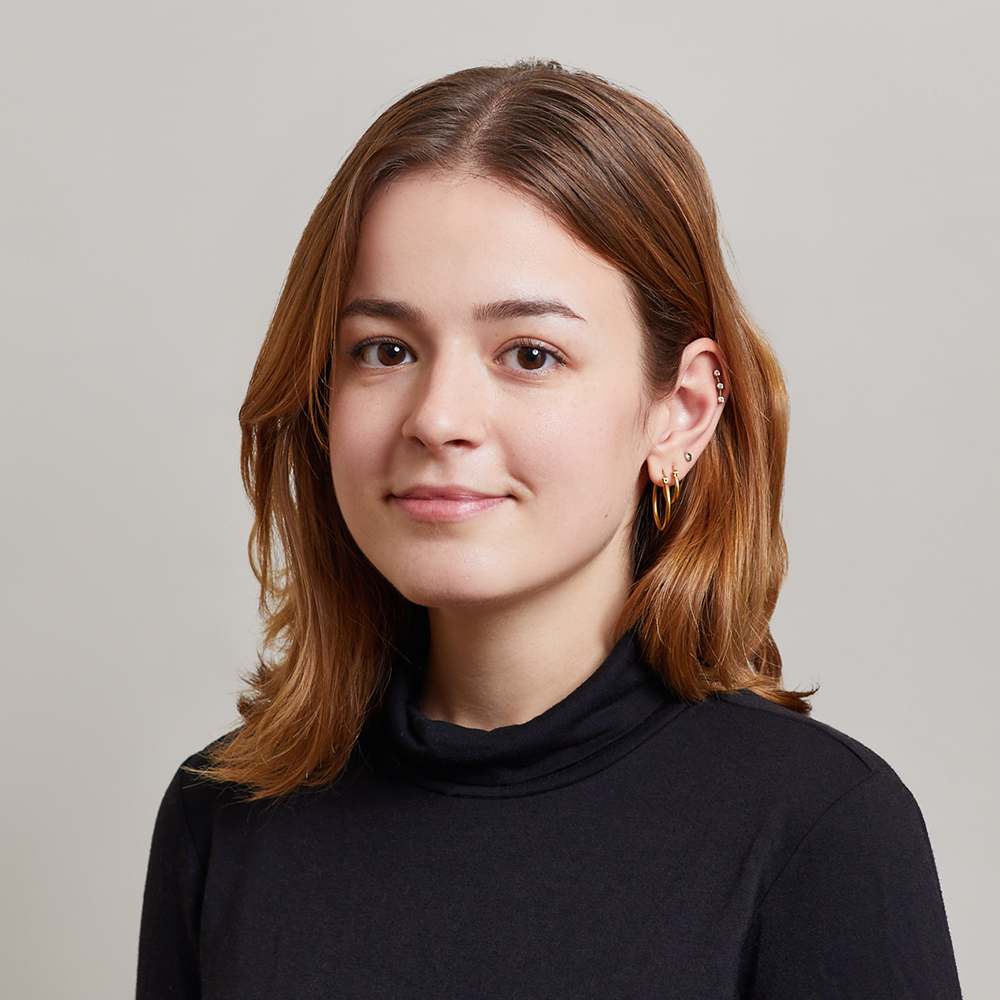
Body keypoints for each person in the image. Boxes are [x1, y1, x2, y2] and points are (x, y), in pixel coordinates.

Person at [137, 62, 962, 998]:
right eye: (386, 350)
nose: (439, 416)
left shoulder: (821, 829)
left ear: (681, 411)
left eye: (530, 354)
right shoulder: (225, 816)